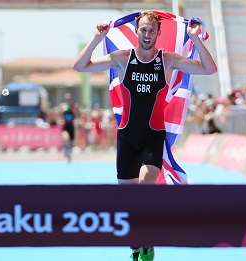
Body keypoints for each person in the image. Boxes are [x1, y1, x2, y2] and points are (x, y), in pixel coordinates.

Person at [72, 11, 217, 261]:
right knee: (129, 202)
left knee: (145, 192)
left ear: (158, 33)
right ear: (137, 31)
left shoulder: (168, 60)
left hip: (152, 138)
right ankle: (136, 248)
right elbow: (80, 66)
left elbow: (209, 69)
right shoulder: (122, 58)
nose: (147, 34)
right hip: (127, 139)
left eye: (152, 30)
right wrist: (97, 39)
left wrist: (195, 39)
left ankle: (148, 241)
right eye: (143, 30)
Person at [61, 93, 77, 162]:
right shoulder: (63, 106)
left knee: (71, 142)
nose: (68, 100)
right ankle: (65, 150)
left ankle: (69, 152)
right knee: (66, 138)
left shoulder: (74, 106)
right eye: (67, 99)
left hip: (71, 125)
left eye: (69, 98)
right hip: (65, 125)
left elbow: (76, 115)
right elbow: (60, 113)